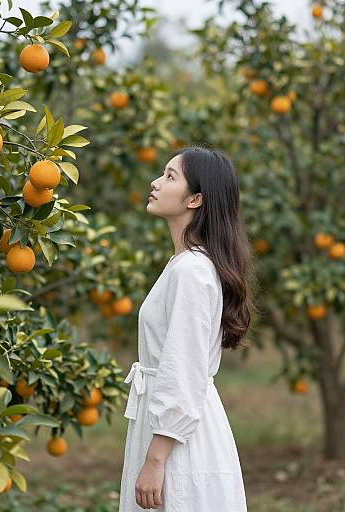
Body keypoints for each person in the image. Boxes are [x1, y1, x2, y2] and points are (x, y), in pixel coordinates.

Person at [119, 145, 258, 511]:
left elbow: (184, 367)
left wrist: (156, 458)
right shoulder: (183, 265)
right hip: (169, 427)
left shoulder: (191, 271)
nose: (155, 182)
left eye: (169, 176)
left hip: (178, 438)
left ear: (195, 199)